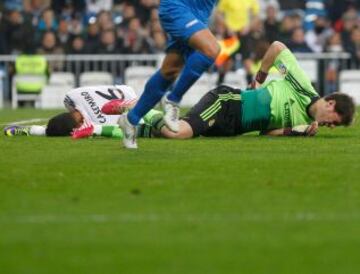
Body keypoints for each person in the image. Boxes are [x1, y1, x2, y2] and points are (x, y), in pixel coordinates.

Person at [132, 41, 355, 139]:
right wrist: (260, 76)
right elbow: (277, 47)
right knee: (178, 134)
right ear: (331, 103)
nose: (330, 126)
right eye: (334, 120)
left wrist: (294, 132)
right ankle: (138, 108)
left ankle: (125, 123)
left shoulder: (305, 123)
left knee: (169, 132)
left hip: (231, 128)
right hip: (227, 103)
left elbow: (265, 132)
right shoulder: (303, 88)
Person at [117, 0, 221, 149]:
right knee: (211, 49)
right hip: (178, 7)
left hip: (200, 14)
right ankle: (173, 99)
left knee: (170, 70)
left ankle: (130, 120)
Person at [4, 85, 160, 139]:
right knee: (56, 129)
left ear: (78, 124)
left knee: (135, 127)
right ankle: (22, 131)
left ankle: (24, 130)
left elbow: (120, 131)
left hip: (134, 106)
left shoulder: (97, 122)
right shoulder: (71, 96)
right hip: (126, 90)